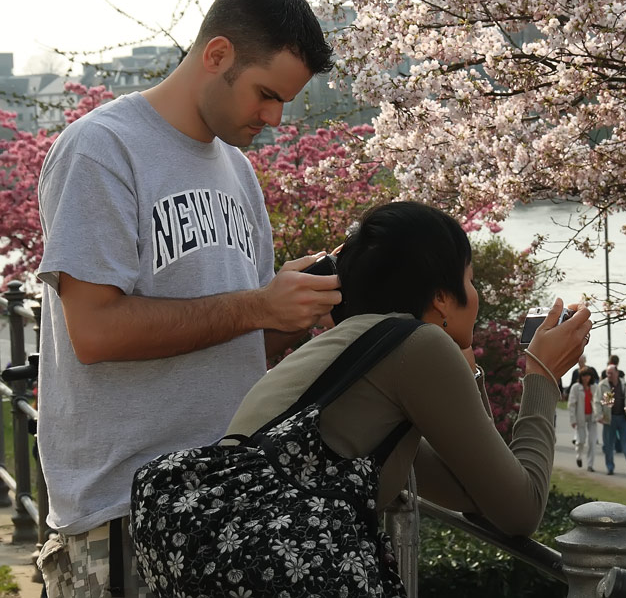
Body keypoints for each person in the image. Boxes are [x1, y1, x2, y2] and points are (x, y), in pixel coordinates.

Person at [35, 0, 341, 597]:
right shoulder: (101, 150)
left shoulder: (238, 172)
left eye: (284, 101)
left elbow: (236, 337)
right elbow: (94, 332)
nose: (275, 117)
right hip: (124, 512)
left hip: (221, 506)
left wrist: (291, 314)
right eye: (266, 94)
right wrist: (258, 304)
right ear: (218, 55)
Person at [226, 202, 592, 539]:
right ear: (441, 297)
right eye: (470, 279)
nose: (475, 294)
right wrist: (542, 374)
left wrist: (464, 362)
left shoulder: (354, 358)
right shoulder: (417, 348)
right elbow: (520, 513)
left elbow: (481, 493)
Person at [595, 363, 626, 475]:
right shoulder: (602, 385)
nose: (609, 375)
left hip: (622, 417)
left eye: (611, 373)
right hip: (609, 418)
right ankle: (610, 467)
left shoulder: (623, 384)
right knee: (609, 444)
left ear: (616, 373)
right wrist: (599, 415)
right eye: (608, 373)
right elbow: (597, 401)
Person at [568, 366, 599, 471]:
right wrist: (573, 420)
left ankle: (590, 465)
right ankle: (579, 456)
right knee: (581, 440)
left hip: (592, 416)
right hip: (580, 415)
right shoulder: (575, 388)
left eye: (588, 376)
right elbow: (571, 404)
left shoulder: (595, 387)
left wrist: (600, 415)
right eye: (584, 376)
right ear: (581, 377)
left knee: (592, 441)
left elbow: (599, 402)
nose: (586, 378)